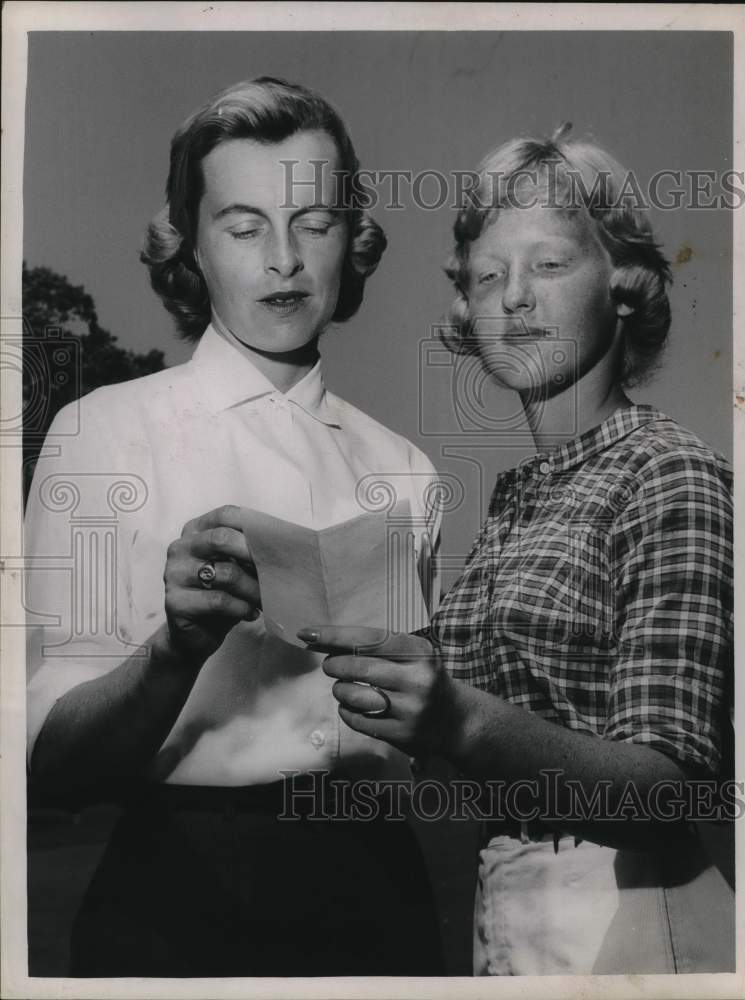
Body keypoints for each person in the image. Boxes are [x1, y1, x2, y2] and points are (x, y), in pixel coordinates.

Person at [25, 77, 442, 977]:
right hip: (179, 899)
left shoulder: (408, 469)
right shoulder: (103, 431)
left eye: (314, 223)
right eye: (244, 225)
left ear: (352, 241)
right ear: (191, 251)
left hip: (381, 892)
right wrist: (175, 650)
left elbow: (422, 745)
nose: (283, 259)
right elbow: (47, 769)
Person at [302, 126, 735, 975]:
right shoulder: (519, 499)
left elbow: (672, 786)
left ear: (623, 284)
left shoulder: (669, 473)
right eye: (489, 275)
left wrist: (457, 716)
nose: (514, 299)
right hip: (506, 914)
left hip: (638, 915)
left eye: (548, 265)